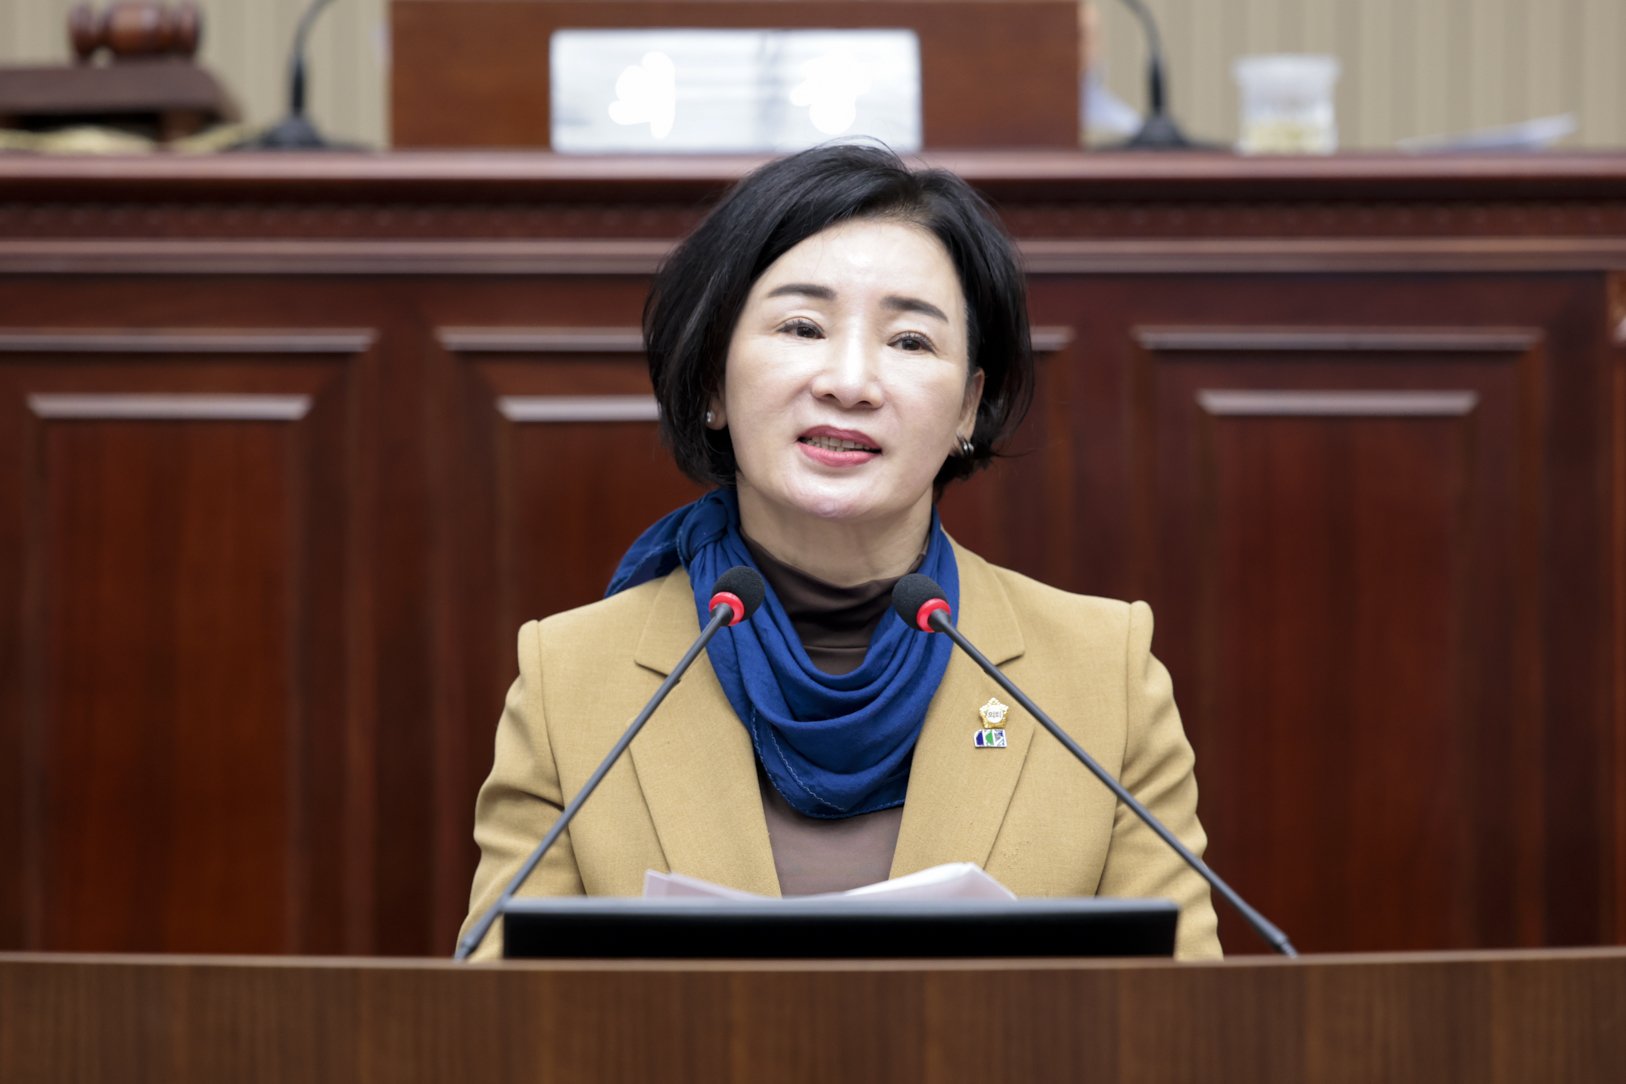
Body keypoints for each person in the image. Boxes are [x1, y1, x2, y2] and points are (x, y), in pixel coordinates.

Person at [458, 143, 1221, 960]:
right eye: (802, 327)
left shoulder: (1102, 676)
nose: (850, 382)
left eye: (910, 342)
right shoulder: (572, 681)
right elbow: (500, 1016)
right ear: (712, 378)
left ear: (969, 407)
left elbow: (1182, 1015)